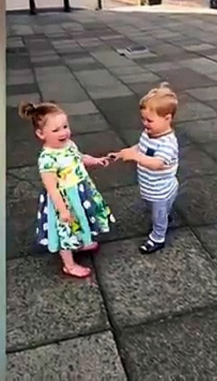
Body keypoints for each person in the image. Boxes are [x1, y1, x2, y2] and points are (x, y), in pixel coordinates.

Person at [19, 101, 115, 278]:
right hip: (63, 199)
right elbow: (52, 188)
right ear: (41, 134)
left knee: (81, 219)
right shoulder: (47, 159)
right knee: (65, 229)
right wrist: (62, 210)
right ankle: (69, 265)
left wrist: (94, 160)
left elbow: (78, 157)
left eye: (65, 126)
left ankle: (80, 242)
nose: (63, 132)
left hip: (79, 192)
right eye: (56, 130)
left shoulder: (68, 144)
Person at [109, 82, 179, 254]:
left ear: (167, 118)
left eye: (149, 120)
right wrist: (123, 153)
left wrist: (135, 157)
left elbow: (157, 163)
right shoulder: (148, 134)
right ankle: (164, 216)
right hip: (150, 187)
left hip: (161, 189)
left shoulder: (168, 143)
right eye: (143, 119)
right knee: (155, 207)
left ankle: (157, 238)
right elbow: (140, 147)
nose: (145, 123)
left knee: (158, 215)